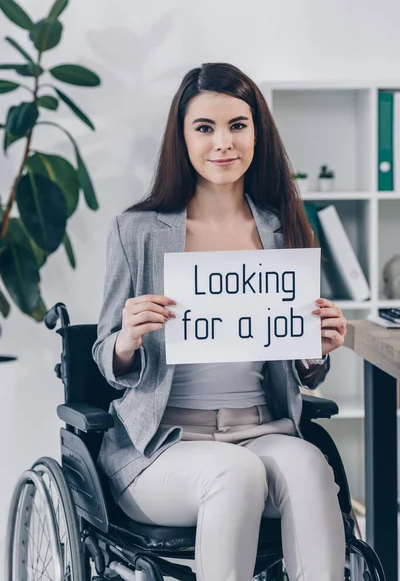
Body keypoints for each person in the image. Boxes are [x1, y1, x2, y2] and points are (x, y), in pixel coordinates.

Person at [93, 62, 347, 581]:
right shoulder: (137, 231)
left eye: (237, 125)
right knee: (236, 473)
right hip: (162, 445)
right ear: (182, 138)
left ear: (257, 132)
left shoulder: (282, 227)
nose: (223, 143)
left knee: (311, 470)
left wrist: (315, 348)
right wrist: (127, 339)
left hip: (262, 427)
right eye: (204, 128)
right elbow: (104, 356)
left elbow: (299, 367)